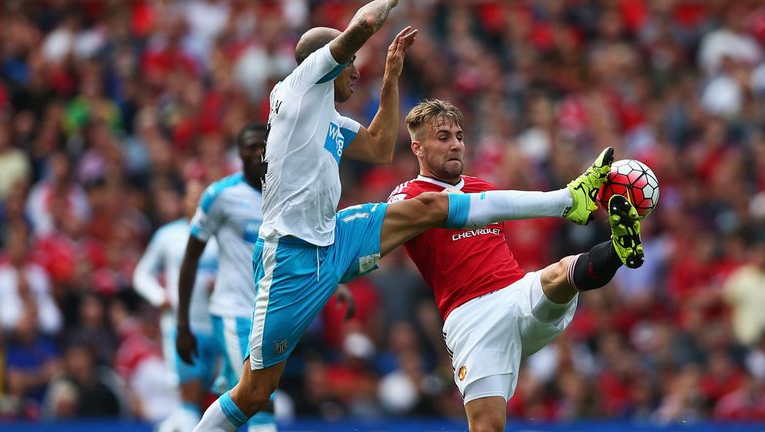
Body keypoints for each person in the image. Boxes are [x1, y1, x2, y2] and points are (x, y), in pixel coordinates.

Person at [192, 1, 641, 430]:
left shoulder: (328, 119)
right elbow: (363, 26)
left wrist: (391, 78)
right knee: (254, 391)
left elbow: (381, 145)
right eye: (351, 66)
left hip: (333, 239)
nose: (356, 72)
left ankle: (570, 201)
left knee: (427, 209)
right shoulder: (300, 83)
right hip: (289, 257)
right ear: (329, 65)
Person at [385, 99, 645, 431]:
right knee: (487, 426)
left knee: (559, 274)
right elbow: (433, 213)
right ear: (417, 147)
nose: (455, 145)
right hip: (471, 318)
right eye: (444, 137)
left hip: (516, 293)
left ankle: (620, 249)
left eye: (459, 136)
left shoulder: (484, 188)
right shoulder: (405, 196)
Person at [176, 124, 278, 432]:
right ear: (239, 153)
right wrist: (183, 324)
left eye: (264, 144)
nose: (258, 150)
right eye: (250, 145)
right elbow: (191, 257)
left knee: (245, 399)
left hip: (270, 317)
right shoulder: (220, 196)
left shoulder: (285, 196)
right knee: (258, 398)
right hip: (232, 312)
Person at [133, 180, 220, 432]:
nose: (197, 202)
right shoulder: (169, 236)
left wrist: (221, 284)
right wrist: (160, 297)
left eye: (202, 197)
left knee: (201, 402)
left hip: (216, 327)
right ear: (183, 202)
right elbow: (142, 274)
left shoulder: (221, 236)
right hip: (181, 326)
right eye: (192, 197)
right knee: (190, 398)